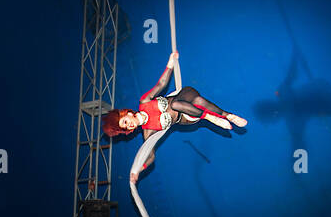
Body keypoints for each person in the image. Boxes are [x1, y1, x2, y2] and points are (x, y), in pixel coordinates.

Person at [102, 51, 248, 178]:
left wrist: (170, 63)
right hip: (187, 117)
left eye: (125, 121)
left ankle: (226, 116)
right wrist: (139, 170)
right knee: (191, 103)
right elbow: (151, 156)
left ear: (126, 113)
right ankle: (218, 116)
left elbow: (161, 85)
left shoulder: (144, 102)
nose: (129, 125)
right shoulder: (148, 132)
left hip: (185, 95)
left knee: (192, 100)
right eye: (126, 127)